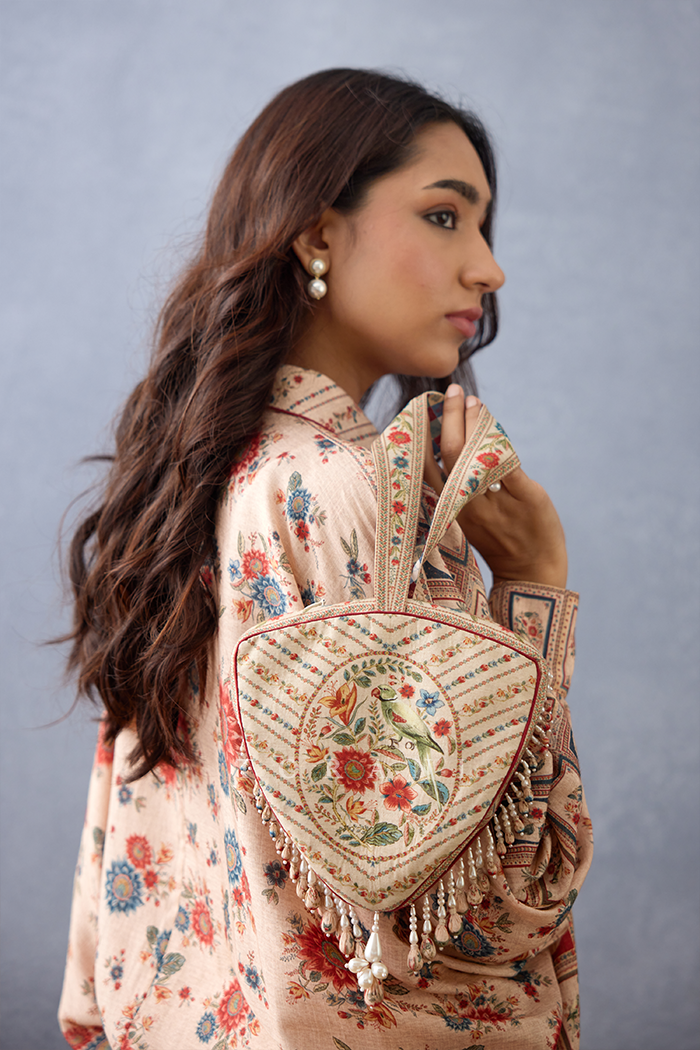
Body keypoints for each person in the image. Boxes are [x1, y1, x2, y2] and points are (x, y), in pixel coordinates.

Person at [59, 68, 592, 1050]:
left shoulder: (190, 487)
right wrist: (533, 590)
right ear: (315, 235)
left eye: (483, 227)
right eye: (443, 217)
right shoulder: (354, 500)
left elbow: (115, 888)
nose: (488, 269)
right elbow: (488, 911)